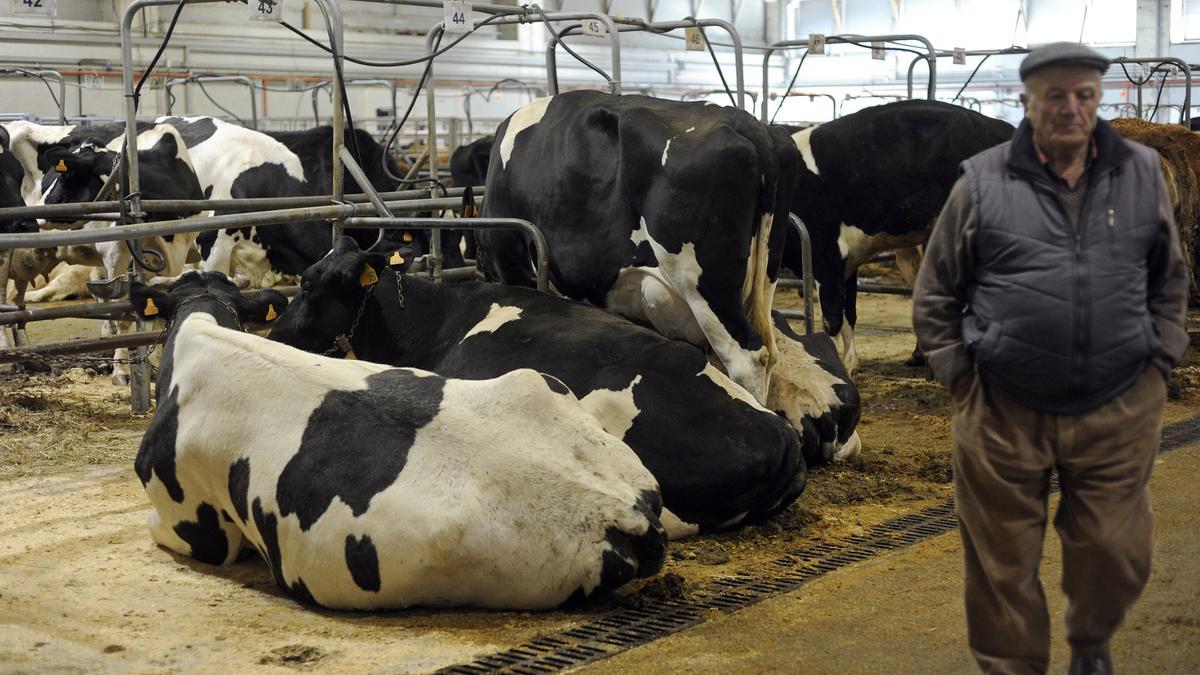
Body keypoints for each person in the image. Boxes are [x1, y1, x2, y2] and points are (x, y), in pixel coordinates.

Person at [912, 42, 1190, 675]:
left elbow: (1168, 278)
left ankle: (1091, 642)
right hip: (1002, 403)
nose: (1070, 107)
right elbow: (935, 290)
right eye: (1055, 95)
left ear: (1099, 100)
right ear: (1027, 101)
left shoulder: (1144, 173)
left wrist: (1160, 361)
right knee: (1000, 560)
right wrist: (961, 377)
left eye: (1084, 95)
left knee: (1115, 550)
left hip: (1118, 402)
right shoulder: (981, 180)